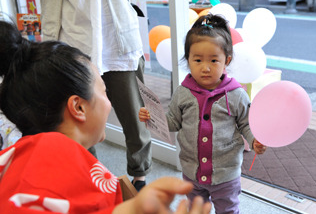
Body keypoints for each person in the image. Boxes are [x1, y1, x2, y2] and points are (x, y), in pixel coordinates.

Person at [0, 20, 212, 214]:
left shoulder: (17, 154)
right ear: (78, 107)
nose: (109, 102)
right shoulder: (71, 166)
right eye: (104, 92)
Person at [9, 0, 151, 191]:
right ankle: (89, 175)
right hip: (67, 35)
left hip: (115, 36)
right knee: (76, 119)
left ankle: (139, 174)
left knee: (134, 116)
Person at [139, 14, 266, 214]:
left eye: (214, 60)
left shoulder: (236, 94)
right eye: (197, 60)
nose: (205, 68)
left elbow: (246, 123)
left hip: (226, 174)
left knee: (228, 210)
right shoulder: (183, 92)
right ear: (188, 59)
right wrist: (153, 117)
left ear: (227, 60)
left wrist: (255, 139)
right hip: (192, 172)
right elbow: (173, 121)